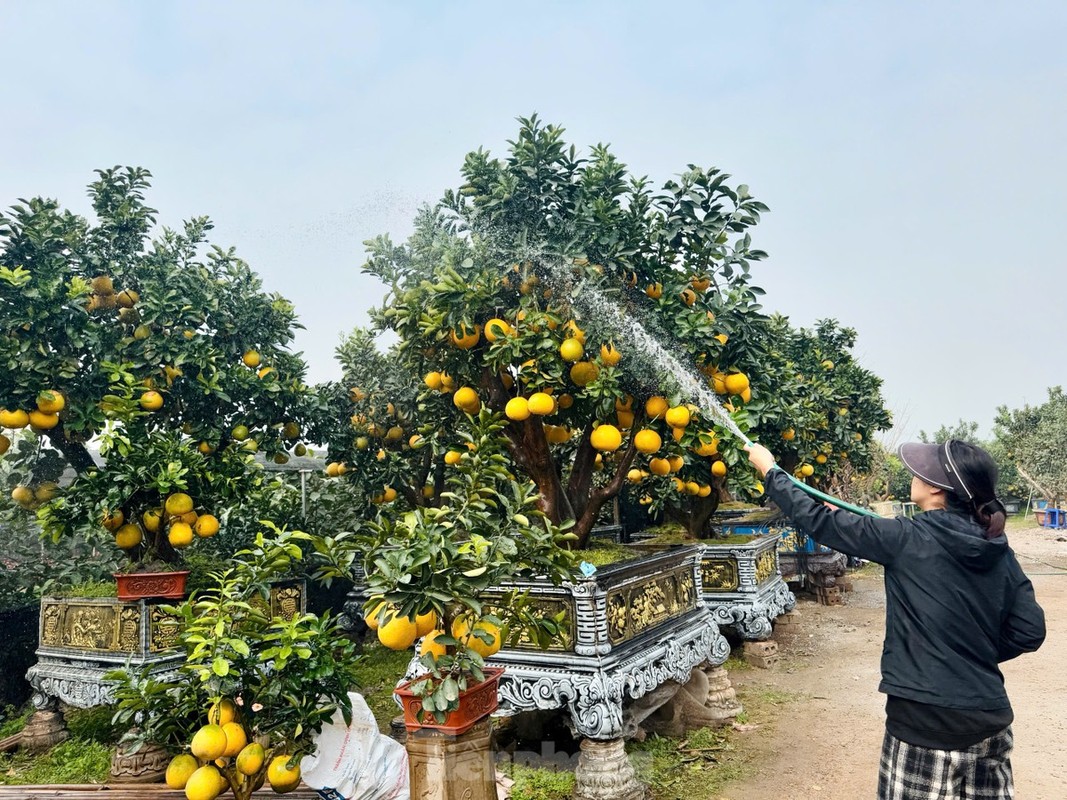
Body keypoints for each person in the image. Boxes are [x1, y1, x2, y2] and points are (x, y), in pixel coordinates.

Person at [745, 439, 1045, 800]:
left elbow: (819, 523)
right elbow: (1029, 630)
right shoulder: (996, 546)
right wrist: (970, 650)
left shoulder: (906, 537)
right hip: (992, 720)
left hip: (926, 724)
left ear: (936, 488)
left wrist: (771, 471)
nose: (913, 475)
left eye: (921, 471)